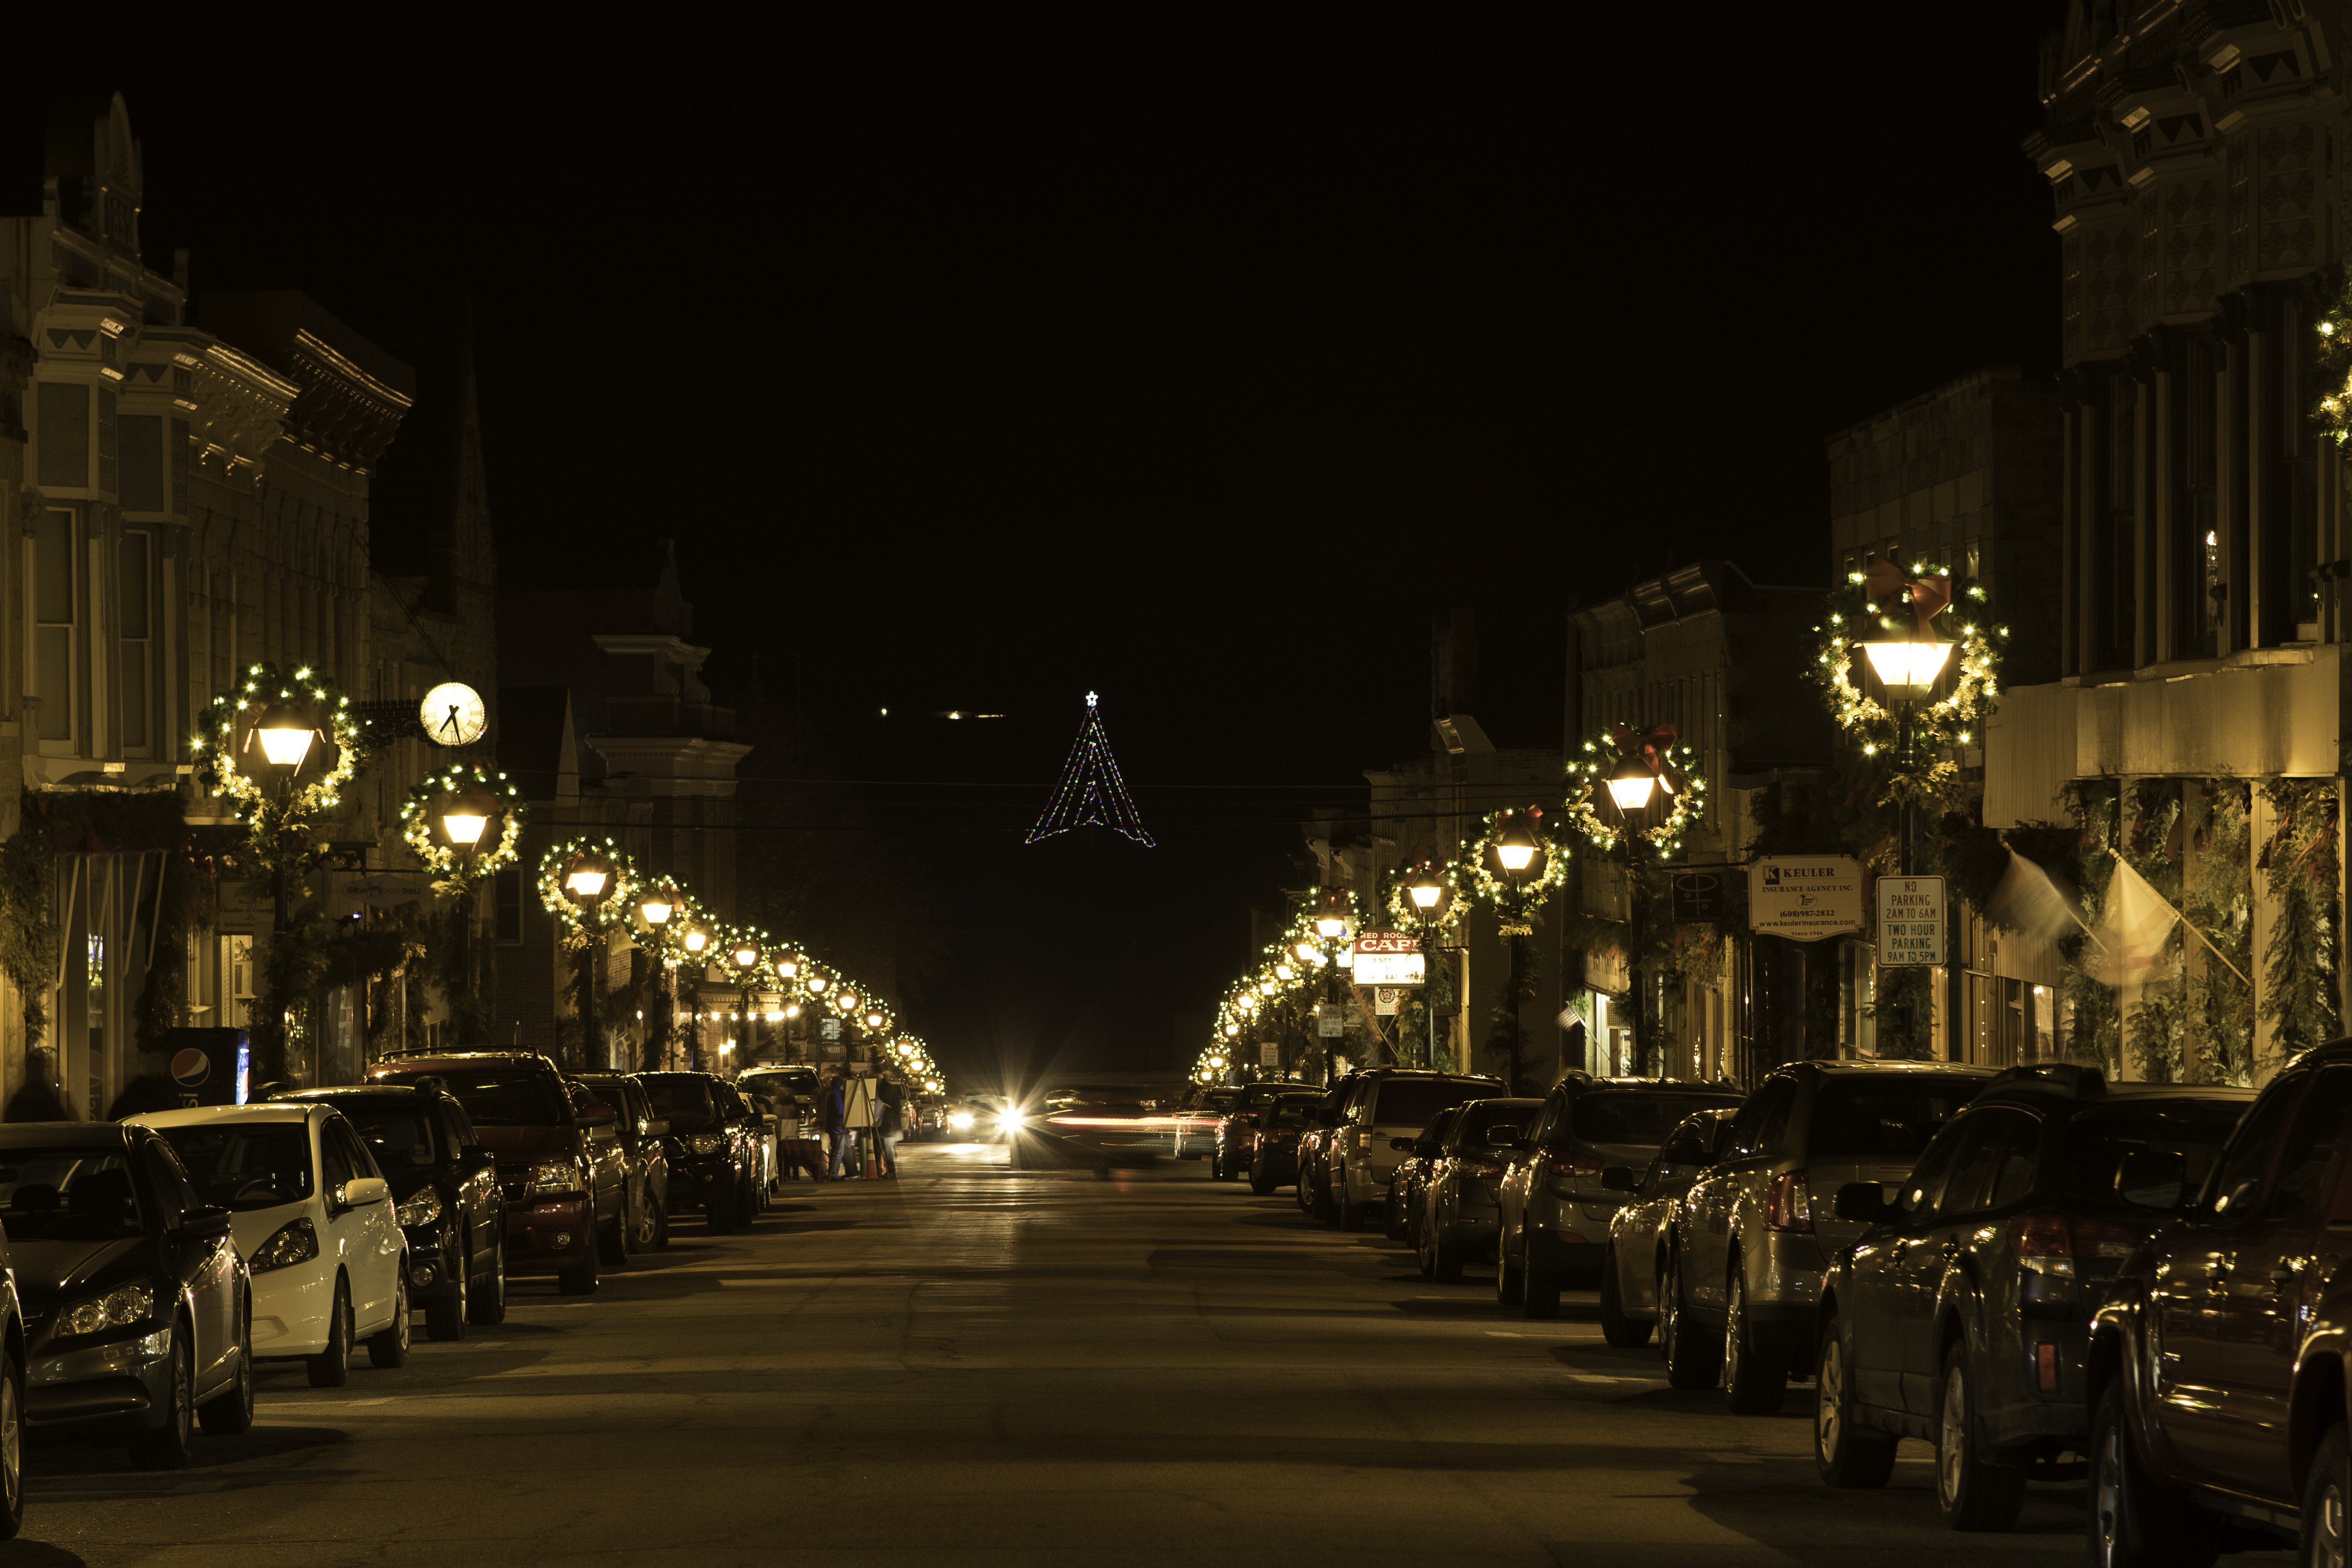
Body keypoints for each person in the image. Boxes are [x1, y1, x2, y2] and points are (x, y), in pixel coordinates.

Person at [823, 1067, 858, 1180]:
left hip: (834, 1127)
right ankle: (833, 1174)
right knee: (838, 1152)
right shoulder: (836, 1095)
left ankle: (834, 1174)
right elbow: (839, 1111)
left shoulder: (831, 1093)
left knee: (837, 1151)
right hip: (838, 1128)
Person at [875, 1073, 906, 1178]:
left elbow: (888, 1103)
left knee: (885, 1147)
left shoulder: (884, 1089)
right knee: (884, 1147)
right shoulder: (887, 1089)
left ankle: (889, 1170)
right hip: (885, 1123)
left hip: (885, 1123)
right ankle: (886, 1170)